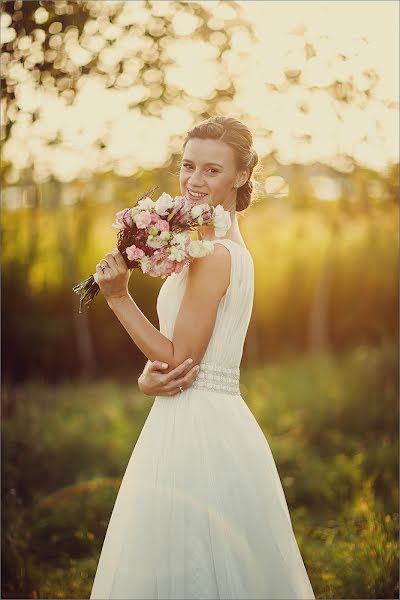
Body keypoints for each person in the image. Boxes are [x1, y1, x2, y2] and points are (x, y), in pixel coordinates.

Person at [90, 116, 315, 599]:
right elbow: (183, 360)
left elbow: (177, 360)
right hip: (201, 411)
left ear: (240, 175)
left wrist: (117, 297)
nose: (194, 180)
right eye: (188, 166)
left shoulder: (215, 254)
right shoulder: (219, 245)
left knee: (190, 560)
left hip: (198, 426)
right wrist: (147, 382)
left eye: (212, 170)